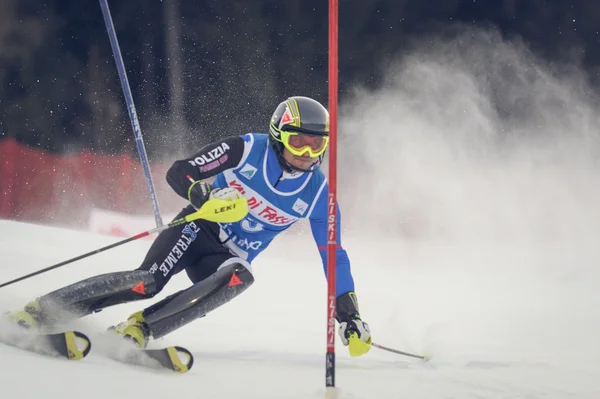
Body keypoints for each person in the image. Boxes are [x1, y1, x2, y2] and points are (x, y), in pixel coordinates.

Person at [10, 96, 372, 357]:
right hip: (197, 230)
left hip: (225, 258)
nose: (307, 154)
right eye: (298, 142)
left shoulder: (318, 194)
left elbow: (333, 253)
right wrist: (202, 195)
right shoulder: (247, 149)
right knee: (146, 281)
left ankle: (140, 328)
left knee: (241, 275)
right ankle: (42, 310)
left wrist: (349, 314)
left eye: (316, 145)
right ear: (278, 137)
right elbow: (180, 171)